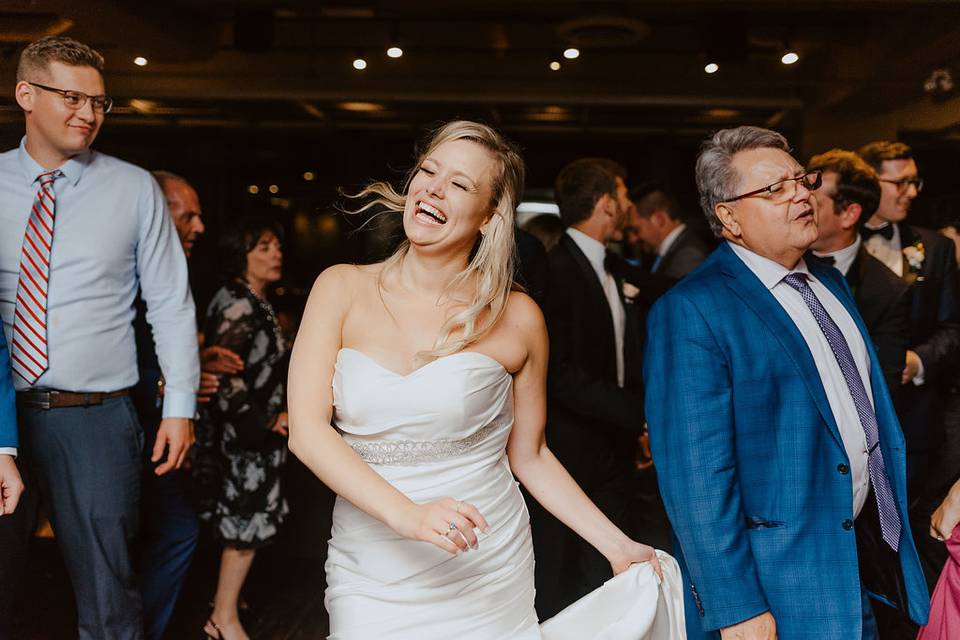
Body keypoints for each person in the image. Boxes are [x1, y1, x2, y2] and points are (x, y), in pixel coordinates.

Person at [286, 121, 670, 639]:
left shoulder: (518, 317)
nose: (433, 189)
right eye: (428, 171)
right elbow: (308, 432)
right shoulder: (340, 288)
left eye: (460, 184)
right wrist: (407, 516)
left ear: (490, 216)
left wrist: (617, 544)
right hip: (371, 559)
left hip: (486, 560)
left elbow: (529, 454)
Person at [645, 126, 929, 639]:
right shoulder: (693, 310)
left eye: (802, 180)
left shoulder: (830, 282)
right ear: (728, 217)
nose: (800, 193)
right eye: (774, 189)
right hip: (781, 584)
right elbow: (696, 480)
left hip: (862, 562)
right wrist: (736, 608)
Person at [0, 36, 199, 639]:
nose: (88, 113)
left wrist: (180, 408)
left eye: (100, 102)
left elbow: (170, 302)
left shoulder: (134, 188)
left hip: (94, 419)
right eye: (72, 97)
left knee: (108, 592)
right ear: (25, 94)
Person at [531, 157, 646, 618]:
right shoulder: (556, 270)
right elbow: (555, 372)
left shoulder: (617, 267)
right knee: (561, 576)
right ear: (606, 204)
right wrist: (634, 412)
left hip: (612, 448)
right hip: (565, 448)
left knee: (607, 574)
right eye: (624, 195)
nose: (629, 205)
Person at [133, 170, 224, 640]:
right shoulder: (124, 272)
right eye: (188, 215)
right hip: (124, 430)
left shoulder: (170, 272)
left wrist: (191, 368)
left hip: (155, 432)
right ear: (156, 211)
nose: (200, 228)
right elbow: (118, 363)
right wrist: (172, 384)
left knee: (177, 530)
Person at [194, 217, 289, 640]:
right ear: (242, 255)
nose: (276, 254)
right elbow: (225, 380)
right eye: (263, 247)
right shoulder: (236, 303)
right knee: (243, 521)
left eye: (276, 246)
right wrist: (266, 422)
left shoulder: (256, 301)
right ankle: (223, 618)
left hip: (255, 435)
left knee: (247, 518)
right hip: (244, 437)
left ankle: (228, 602)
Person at [806, 149, 911, 396]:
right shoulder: (777, 261)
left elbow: (882, 388)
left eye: (814, 203)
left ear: (849, 214)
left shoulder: (888, 291)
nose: (800, 206)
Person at [628, 183, 710, 280]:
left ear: (659, 219)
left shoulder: (687, 256)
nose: (632, 239)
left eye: (636, 230)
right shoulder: (671, 252)